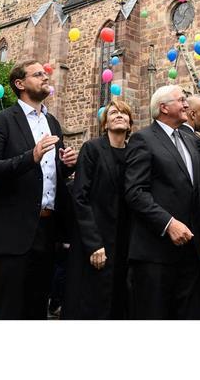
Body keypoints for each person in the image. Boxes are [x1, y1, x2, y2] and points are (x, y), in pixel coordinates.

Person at [0, 60, 76, 320]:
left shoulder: (52, 123)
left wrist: (66, 166)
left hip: (47, 230)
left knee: (36, 311)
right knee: (11, 311)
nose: (45, 77)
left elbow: (49, 174)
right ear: (20, 84)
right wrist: (29, 157)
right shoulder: (2, 121)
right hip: (12, 233)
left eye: (45, 73)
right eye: (38, 74)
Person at [124, 84, 200, 319]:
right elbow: (135, 192)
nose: (186, 105)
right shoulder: (143, 139)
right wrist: (168, 224)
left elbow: (194, 191)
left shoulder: (190, 141)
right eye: (181, 100)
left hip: (190, 250)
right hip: (155, 253)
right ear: (164, 108)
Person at [69, 99, 133, 319]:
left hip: (124, 241)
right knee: (91, 302)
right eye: (113, 112)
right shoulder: (92, 149)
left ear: (130, 124)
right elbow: (80, 197)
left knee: (118, 301)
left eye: (124, 113)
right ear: (105, 124)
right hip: (95, 239)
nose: (118, 115)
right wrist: (94, 244)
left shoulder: (134, 153)